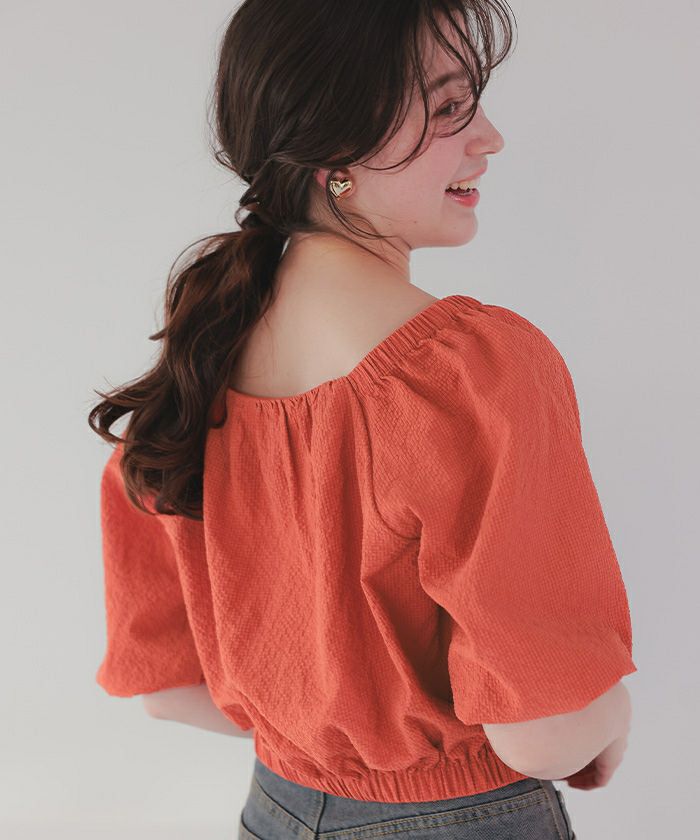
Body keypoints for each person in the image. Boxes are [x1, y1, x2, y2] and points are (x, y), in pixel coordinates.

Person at [88, 1, 636, 837]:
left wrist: (325, 732)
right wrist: (612, 713)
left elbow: (169, 690)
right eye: (448, 107)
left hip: (274, 810)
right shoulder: (468, 373)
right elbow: (547, 734)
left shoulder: (201, 361)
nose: (489, 138)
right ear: (335, 150)